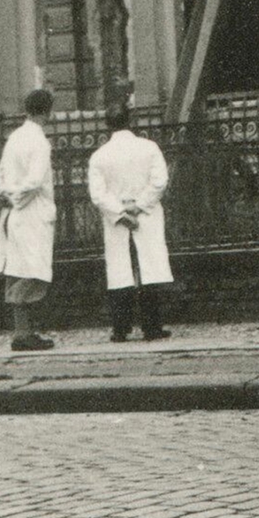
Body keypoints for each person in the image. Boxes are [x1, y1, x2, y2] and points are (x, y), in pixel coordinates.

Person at [86, 100, 174, 342]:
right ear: (130, 120)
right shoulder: (149, 148)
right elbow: (159, 181)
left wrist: (120, 214)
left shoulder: (99, 156)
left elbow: (98, 194)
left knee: (120, 269)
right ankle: (152, 327)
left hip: (117, 220)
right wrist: (139, 206)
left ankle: (120, 328)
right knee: (148, 268)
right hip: (145, 214)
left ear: (107, 125)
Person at [0, 88, 57, 352]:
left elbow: (0, 172)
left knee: (20, 269)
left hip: (13, 215)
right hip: (30, 214)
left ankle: (23, 332)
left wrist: (5, 193)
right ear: (48, 111)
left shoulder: (14, 138)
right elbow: (34, 180)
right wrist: (16, 197)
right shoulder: (40, 142)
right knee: (34, 271)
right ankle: (22, 331)